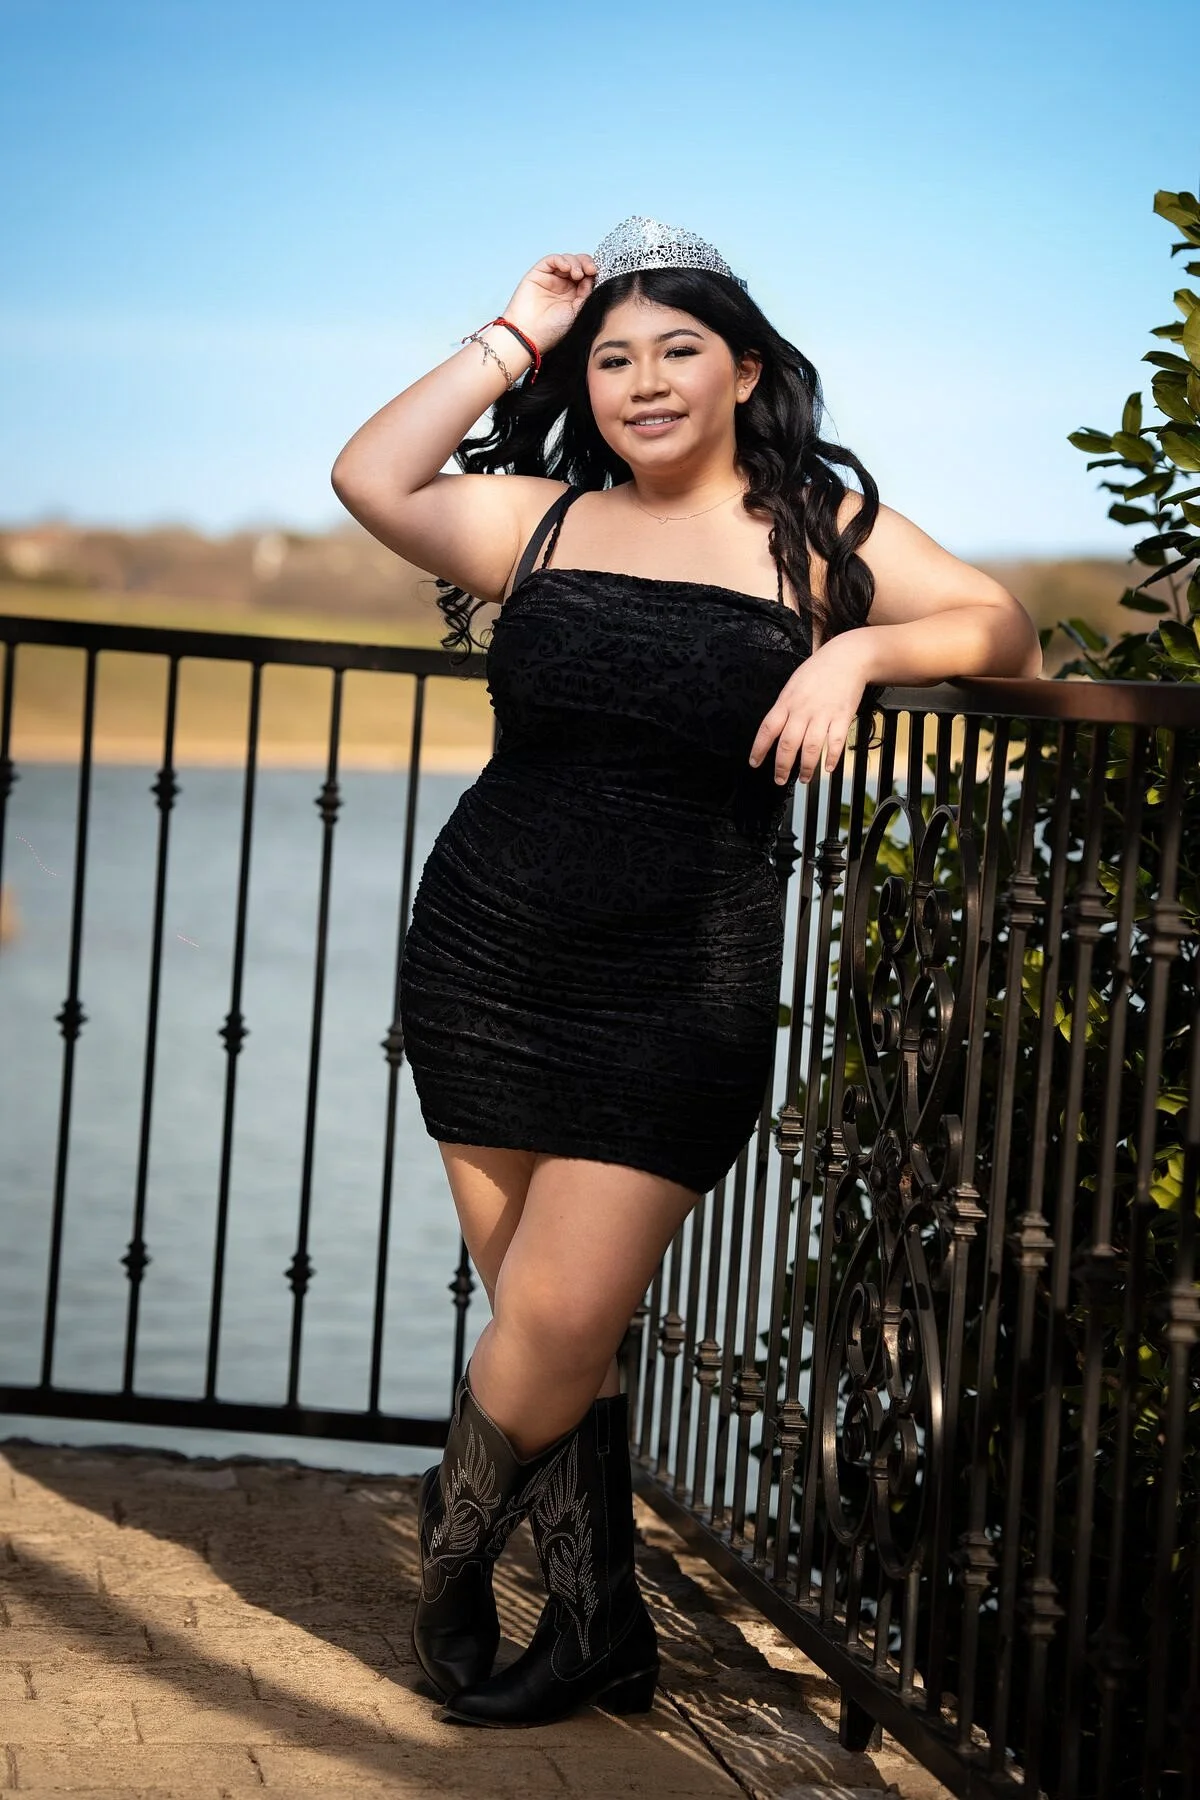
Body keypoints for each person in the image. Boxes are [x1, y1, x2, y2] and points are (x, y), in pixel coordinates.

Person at [331, 217, 1041, 1730]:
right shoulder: (536, 520)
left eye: (676, 352)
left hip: (677, 984)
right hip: (483, 955)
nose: (641, 382)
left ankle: (450, 1566)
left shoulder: (825, 534)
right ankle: (603, 1629)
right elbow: (371, 477)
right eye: (612, 360)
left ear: (748, 372)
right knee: (551, 1321)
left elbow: (1008, 633)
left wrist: (851, 656)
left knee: (548, 1320)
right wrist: (513, 334)